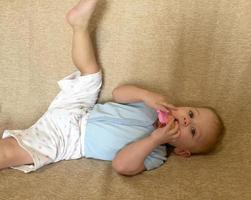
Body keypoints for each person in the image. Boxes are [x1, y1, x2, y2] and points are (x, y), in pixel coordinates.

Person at [0, 0, 223, 176]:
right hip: (80, 108)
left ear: (183, 151)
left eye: (192, 130)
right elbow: (118, 93)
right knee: (92, 75)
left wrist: (155, 139)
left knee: (12, 152)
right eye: (191, 113)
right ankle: (79, 26)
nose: (186, 120)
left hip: (69, 139)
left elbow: (121, 165)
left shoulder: (156, 154)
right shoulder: (152, 106)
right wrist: (146, 95)